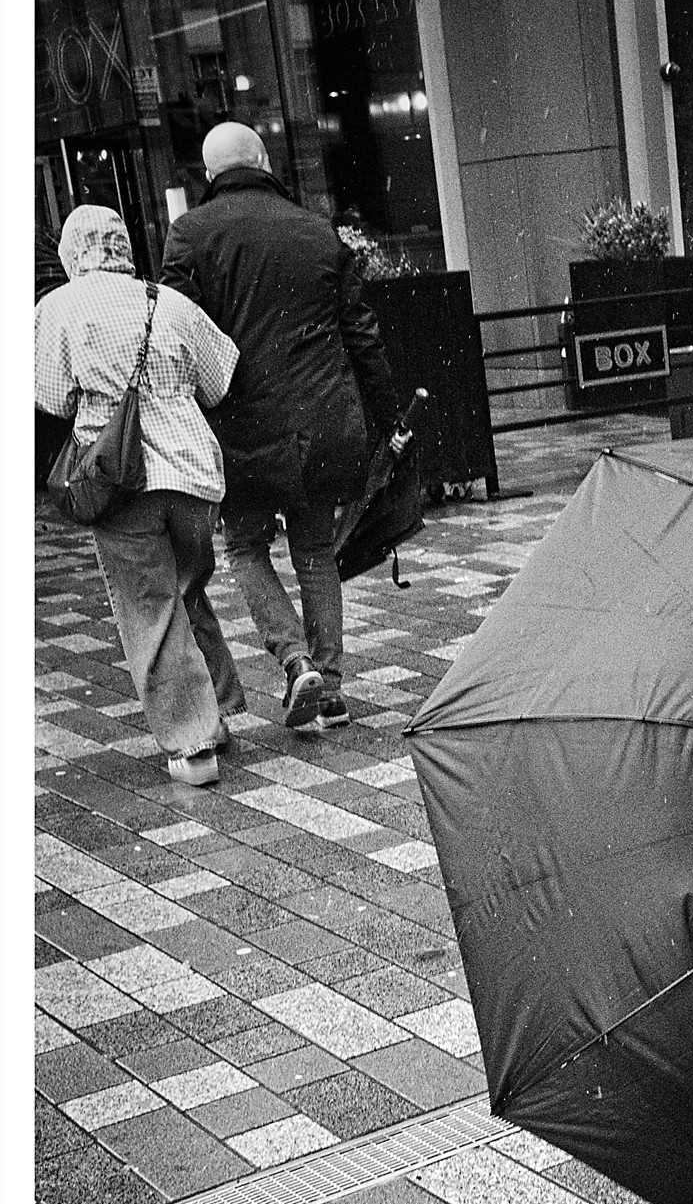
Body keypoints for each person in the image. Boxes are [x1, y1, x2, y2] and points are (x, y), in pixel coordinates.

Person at [160, 121, 411, 731]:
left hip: (242, 426)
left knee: (246, 546)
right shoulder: (317, 231)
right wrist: (388, 417)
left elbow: (176, 337)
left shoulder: (191, 235)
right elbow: (362, 339)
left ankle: (296, 660)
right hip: (325, 419)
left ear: (209, 173)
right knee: (315, 551)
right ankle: (330, 686)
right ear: (265, 160)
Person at [35, 204, 246, 788]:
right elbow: (220, 377)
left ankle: (193, 743)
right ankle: (221, 705)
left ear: (73, 253)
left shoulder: (58, 309)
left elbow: (50, 396)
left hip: (119, 474)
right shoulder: (169, 302)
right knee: (184, 585)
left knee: (149, 605)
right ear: (125, 247)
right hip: (195, 474)